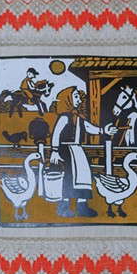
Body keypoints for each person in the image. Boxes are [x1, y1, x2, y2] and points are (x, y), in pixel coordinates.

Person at [50, 86, 113, 218]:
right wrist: (55, 150)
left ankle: (82, 207)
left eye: (78, 96)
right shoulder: (64, 117)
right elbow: (56, 134)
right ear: (67, 99)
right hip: (66, 150)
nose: (79, 99)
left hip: (77, 150)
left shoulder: (78, 118)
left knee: (84, 176)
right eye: (76, 96)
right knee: (68, 176)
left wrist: (103, 130)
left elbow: (88, 127)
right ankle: (64, 207)